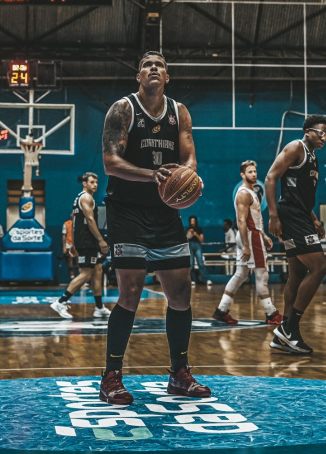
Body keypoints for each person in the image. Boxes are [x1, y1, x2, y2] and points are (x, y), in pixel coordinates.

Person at [98, 51, 210, 405]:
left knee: (180, 292)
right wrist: (155, 176)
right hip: (127, 211)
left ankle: (179, 373)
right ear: (138, 76)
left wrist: (187, 176)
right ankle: (111, 376)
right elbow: (110, 162)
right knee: (130, 292)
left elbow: (189, 155)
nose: (153, 69)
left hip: (164, 213)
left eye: (159, 65)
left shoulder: (180, 112)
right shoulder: (123, 109)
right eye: (147, 64)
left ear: (167, 76)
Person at [265, 114, 326, 356]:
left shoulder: (313, 157)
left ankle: (285, 335)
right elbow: (271, 177)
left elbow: (301, 196)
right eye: (320, 132)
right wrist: (273, 216)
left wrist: (313, 218)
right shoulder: (296, 147)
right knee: (320, 268)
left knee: (297, 273)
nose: (324, 137)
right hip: (289, 215)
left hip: (300, 215)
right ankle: (289, 328)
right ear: (307, 131)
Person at [213, 160, 281, 326]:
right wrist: (246, 245)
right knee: (261, 275)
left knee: (241, 274)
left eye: (255, 171)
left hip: (254, 235)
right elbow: (242, 221)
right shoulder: (244, 193)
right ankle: (271, 313)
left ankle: (221, 310)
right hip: (250, 237)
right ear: (242, 175)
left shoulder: (252, 192)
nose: (254, 174)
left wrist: (264, 235)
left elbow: (255, 220)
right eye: (250, 172)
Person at [51, 173, 111, 319]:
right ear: (84, 184)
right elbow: (90, 220)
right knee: (86, 274)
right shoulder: (86, 198)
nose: (95, 185)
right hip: (88, 242)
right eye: (92, 182)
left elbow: (76, 222)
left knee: (97, 270)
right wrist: (101, 240)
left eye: (96, 182)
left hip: (84, 241)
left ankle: (99, 307)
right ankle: (60, 302)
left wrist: (73, 244)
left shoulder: (81, 198)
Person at [186, 215, 211, 287]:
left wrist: (196, 234)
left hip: (197, 245)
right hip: (190, 246)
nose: (192, 222)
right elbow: (186, 240)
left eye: (193, 221)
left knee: (200, 263)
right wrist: (189, 234)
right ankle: (193, 280)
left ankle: (207, 279)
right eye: (191, 221)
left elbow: (201, 240)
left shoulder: (199, 229)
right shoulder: (187, 229)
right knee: (191, 264)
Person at [62, 215, 79, 280]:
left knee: (80, 265)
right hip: (69, 246)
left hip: (78, 247)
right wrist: (64, 247)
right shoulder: (66, 224)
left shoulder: (80, 224)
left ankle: (81, 281)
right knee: (70, 265)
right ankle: (73, 279)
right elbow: (64, 236)